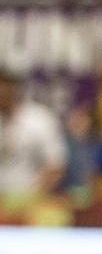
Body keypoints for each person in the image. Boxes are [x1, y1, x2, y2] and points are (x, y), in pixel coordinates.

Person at [0, 68, 67, 206]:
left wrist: (33, 197)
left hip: (34, 202)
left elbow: (56, 166)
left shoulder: (39, 118)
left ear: (13, 88)